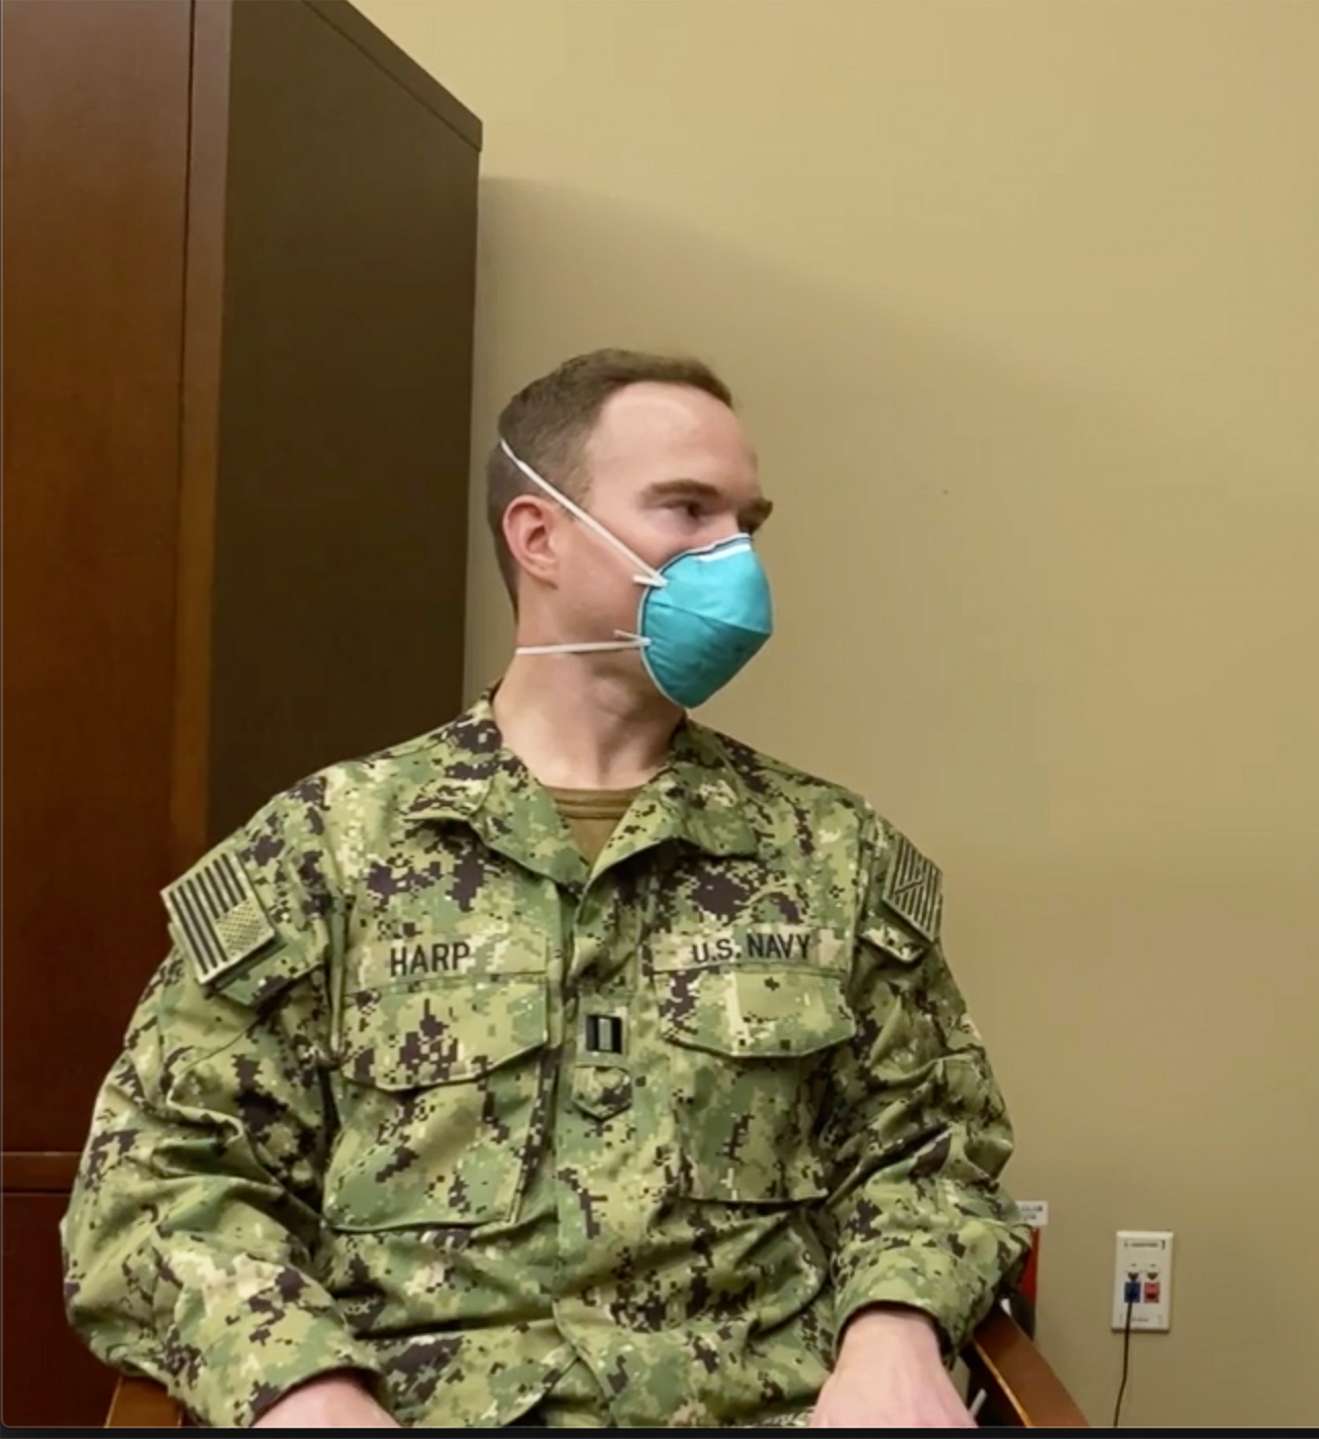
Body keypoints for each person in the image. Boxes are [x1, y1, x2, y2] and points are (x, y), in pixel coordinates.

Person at [62, 350, 1029, 1428]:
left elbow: (933, 1152)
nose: (736, 556)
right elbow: (159, 1180)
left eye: (748, 519)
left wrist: (893, 1330)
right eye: (688, 508)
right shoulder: (330, 849)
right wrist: (302, 1385)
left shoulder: (827, 852)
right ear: (541, 534)